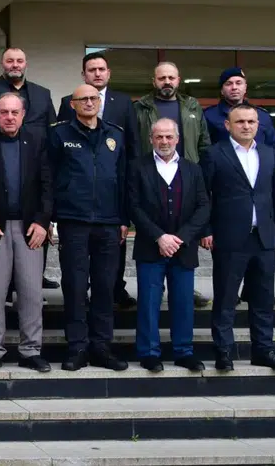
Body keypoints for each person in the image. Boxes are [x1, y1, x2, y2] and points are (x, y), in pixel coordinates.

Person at [201, 104, 275, 372]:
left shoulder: (268, 153)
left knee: (263, 299)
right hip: (229, 237)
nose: (246, 126)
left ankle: (264, 350)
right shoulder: (213, 154)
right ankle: (224, 352)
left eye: (251, 121)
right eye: (240, 121)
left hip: (264, 237)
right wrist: (205, 230)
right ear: (227, 125)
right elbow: (202, 196)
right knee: (226, 298)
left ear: (258, 125)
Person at [48, 84, 128, 372]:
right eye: (83, 99)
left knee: (105, 286)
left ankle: (102, 347)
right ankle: (77, 347)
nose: (90, 103)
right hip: (73, 222)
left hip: (108, 223)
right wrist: (51, 218)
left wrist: (124, 219)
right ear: (72, 104)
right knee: (75, 286)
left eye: (94, 98)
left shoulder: (116, 134)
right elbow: (49, 177)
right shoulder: (59, 134)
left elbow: (123, 178)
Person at [0, 94, 53, 374]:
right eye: (4, 112)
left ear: (23, 114)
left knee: (31, 294)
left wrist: (43, 222)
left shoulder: (38, 141)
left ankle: (31, 351)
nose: (9, 117)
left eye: (14, 112)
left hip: (29, 228)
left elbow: (48, 185)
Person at [57, 52, 139, 308]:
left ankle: (116, 289)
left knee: (113, 254)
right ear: (84, 74)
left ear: (108, 73)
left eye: (101, 69)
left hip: (110, 197)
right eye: (92, 69)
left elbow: (132, 148)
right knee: (77, 270)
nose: (97, 73)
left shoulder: (124, 102)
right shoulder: (67, 102)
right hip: (77, 201)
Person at [129, 118, 211, 373]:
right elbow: (133, 206)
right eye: (159, 137)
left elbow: (203, 206)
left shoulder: (193, 169)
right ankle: (149, 353)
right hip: (150, 246)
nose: (164, 141)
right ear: (151, 139)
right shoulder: (137, 167)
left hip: (183, 248)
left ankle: (184, 352)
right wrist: (159, 237)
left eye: (169, 137)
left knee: (183, 302)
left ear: (177, 139)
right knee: (148, 303)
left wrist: (182, 237)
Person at [133, 61, 212, 307]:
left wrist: (200, 177)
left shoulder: (192, 106)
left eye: (171, 77)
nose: (166, 82)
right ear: (153, 81)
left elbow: (204, 145)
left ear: (178, 80)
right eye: (161, 78)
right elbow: (132, 144)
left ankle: (186, 290)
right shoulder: (139, 107)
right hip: (150, 180)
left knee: (183, 262)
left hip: (187, 182)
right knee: (150, 287)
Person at [0, 49, 56, 136]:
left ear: (26, 64)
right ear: (2, 63)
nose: (15, 65)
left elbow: (53, 129)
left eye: (20, 61)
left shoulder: (43, 93)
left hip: (38, 145)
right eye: (10, 61)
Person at [203, 67, 275, 151]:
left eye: (238, 83)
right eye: (229, 84)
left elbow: (273, 150)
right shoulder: (208, 116)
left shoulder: (262, 115)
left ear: (245, 87)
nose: (234, 87)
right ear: (222, 90)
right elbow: (204, 149)